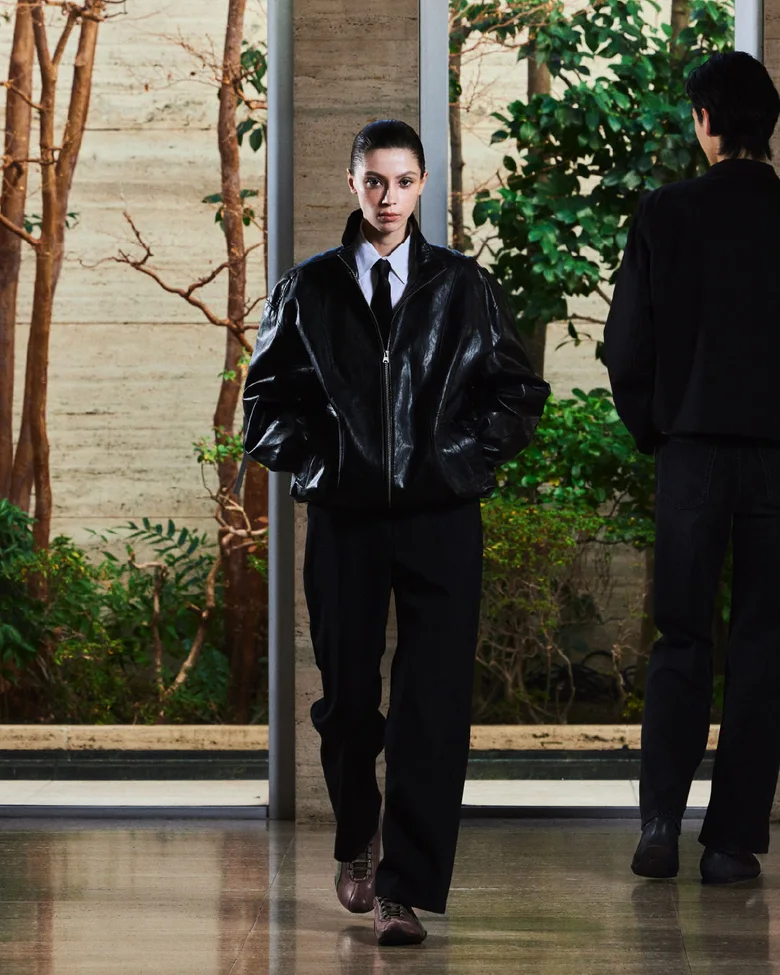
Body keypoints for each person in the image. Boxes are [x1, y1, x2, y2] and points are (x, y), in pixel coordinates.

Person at [242, 119, 548, 944]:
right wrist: (328, 461)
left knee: (432, 704)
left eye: (403, 181)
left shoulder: (462, 286)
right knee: (347, 701)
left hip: (441, 520)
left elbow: (517, 395)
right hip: (346, 521)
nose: (388, 197)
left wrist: (456, 460)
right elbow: (263, 409)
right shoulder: (308, 288)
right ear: (352, 184)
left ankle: (401, 888)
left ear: (422, 187)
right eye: (374, 181)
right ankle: (357, 835)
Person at [604, 52, 780, 885]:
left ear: (705, 121)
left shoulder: (665, 212)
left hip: (693, 453)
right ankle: (732, 843)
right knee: (765, 645)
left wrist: (658, 430)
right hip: (778, 461)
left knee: (681, 637)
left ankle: (659, 826)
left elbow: (627, 345)